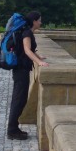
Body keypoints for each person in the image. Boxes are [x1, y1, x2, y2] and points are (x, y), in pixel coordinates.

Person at [7, 10, 49, 140]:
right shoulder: (27, 32)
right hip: (21, 70)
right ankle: (12, 130)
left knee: (20, 99)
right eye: (40, 20)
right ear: (34, 21)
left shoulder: (27, 31)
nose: (41, 22)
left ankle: (14, 127)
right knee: (19, 99)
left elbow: (30, 49)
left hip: (21, 69)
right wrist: (39, 62)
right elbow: (26, 50)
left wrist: (38, 56)